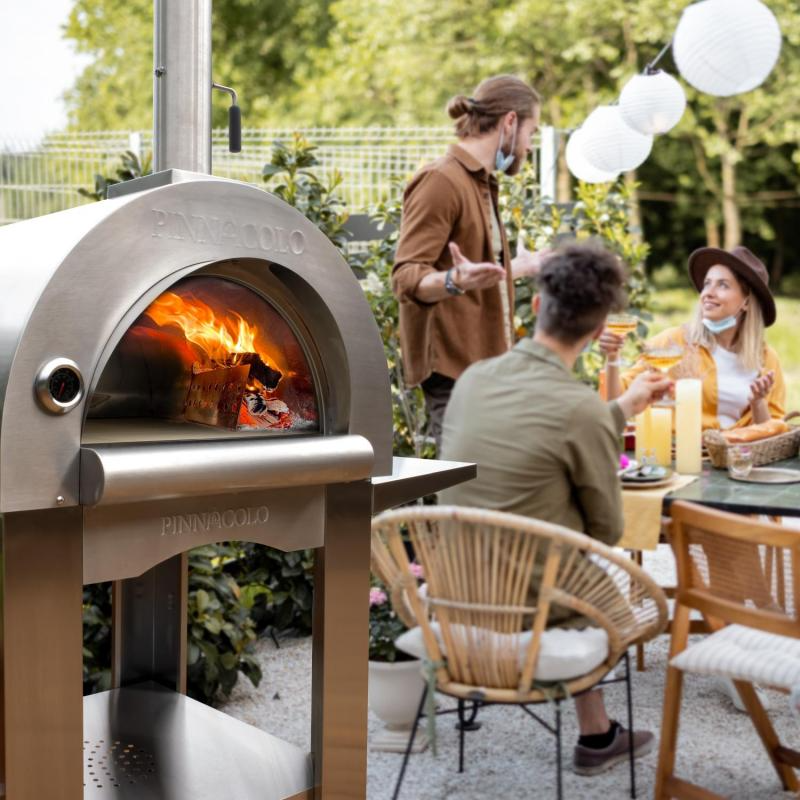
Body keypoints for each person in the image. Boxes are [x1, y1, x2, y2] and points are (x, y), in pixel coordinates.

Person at [439, 241, 671, 775]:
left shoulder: (473, 380)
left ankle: (597, 734)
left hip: (455, 596)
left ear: (538, 307)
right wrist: (605, 418)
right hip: (529, 611)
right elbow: (607, 531)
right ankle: (598, 735)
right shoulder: (580, 410)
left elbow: (545, 433)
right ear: (596, 333)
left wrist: (623, 407)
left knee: (551, 542)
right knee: (599, 584)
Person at [392, 74, 552, 450]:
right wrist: (453, 281)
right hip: (454, 377)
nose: (530, 147)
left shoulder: (479, 182)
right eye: (532, 132)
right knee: (466, 500)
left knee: (490, 497)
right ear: (509, 122)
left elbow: (476, 270)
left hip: (485, 372)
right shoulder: (441, 181)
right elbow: (406, 276)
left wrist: (521, 267)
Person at [602, 245, 785, 430]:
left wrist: (758, 402)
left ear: (746, 301)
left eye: (723, 285)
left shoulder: (766, 360)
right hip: (676, 455)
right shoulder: (672, 343)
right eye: (707, 283)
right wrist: (612, 357)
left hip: (737, 456)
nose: (708, 293)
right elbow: (617, 400)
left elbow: (772, 433)